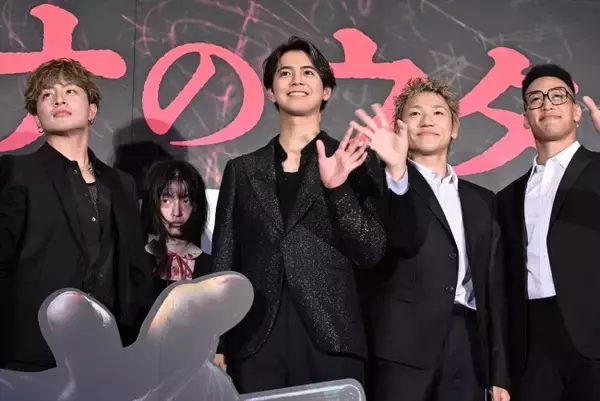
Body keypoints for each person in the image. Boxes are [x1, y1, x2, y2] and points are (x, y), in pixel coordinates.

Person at [210, 36, 386, 392]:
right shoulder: (242, 170)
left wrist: (337, 190)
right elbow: (225, 261)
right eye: (285, 73)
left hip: (332, 336)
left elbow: (370, 252)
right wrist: (218, 341)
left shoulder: (356, 160)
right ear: (271, 92)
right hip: (255, 338)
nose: (296, 80)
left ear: (326, 90)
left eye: (308, 72)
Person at [354, 77, 510, 401]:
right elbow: (389, 245)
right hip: (402, 347)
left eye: (438, 113)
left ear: (454, 129)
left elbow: (494, 289)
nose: (427, 120)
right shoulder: (378, 185)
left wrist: (499, 373)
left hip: (468, 345)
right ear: (399, 128)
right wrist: (397, 174)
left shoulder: (482, 200)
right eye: (415, 113)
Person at [0, 58, 153, 371]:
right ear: (37, 119)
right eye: (47, 95)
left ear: (92, 110)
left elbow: (135, 268)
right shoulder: (16, 172)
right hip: (34, 351)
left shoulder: (121, 183)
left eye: (70, 91)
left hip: (111, 348)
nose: (59, 99)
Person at [496, 64, 600, 401]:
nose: (547, 104)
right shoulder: (506, 197)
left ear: (577, 112)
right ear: (526, 118)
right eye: (535, 99)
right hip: (531, 346)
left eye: (558, 96)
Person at [141, 159, 212, 299]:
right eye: (166, 200)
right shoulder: (137, 263)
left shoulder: (212, 267)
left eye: (186, 201)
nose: (177, 212)